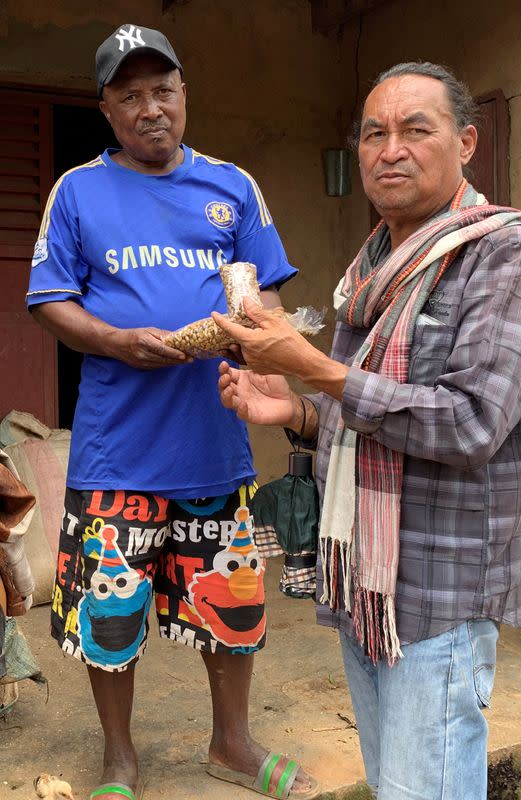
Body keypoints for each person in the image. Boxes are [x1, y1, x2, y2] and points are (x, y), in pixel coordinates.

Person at [215, 62, 521, 800]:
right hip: (367, 585)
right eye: (374, 133)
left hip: (438, 594)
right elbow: (367, 418)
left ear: (466, 142)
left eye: (416, 129)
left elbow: (471, 423)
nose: (391, 149)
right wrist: (293, 410)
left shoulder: (507, 254)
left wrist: (317, 371)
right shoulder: (371, 267)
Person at [26, 23, 319, 800]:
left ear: (184, 94)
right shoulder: (78, 191)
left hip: (215, 442)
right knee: (107, 615)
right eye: (130, 95)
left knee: (231, 602)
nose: (149, 108)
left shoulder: (232, 186)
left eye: (163, 91)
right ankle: (119, 757)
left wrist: (256, 328)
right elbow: (49, 300)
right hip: (117, 450)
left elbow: (269, 291)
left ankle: (231, 743)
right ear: (107, 109)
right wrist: (118, 340)